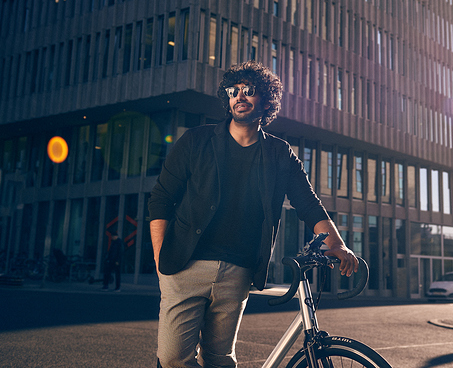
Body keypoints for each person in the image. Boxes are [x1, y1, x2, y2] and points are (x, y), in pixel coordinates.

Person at [148, 61, 358, 368]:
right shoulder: (197, 140)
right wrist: (160, 260)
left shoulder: (279, 153)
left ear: (267, 100)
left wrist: (336, 244)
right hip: (185, 267)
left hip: (238, 271)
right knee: (172, 359)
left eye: (249, 90)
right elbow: (161, 199)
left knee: (219, 360)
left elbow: (309, 204)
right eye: (234, 91)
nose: (240, 96)